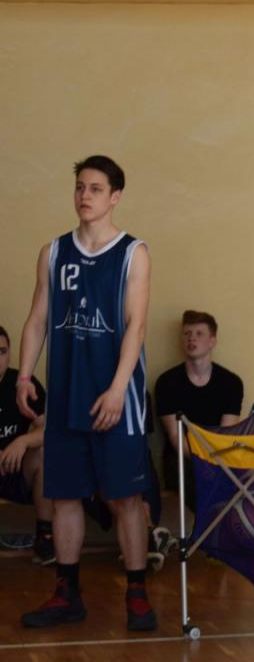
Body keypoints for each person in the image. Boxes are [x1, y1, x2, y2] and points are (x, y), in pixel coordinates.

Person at [15, 155, 157, 631]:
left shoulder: (134, 252)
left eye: (95, 188)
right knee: (64, 497)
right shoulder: (53, 252)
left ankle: (137, 594)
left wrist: (117, 390)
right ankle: (67, 593)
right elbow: (37, 318)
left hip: (116, 397)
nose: (84, 195)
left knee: (126, 498)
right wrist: (24, 376)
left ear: (115, 197)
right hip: (67, 395)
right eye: (79, 186)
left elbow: (137, 327)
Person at [156, 309, 244, 512]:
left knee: (244, 476)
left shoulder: (231, 383)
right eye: (187, 333)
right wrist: (203, 462)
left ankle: (224, 525)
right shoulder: (166, 383)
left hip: (219, 456)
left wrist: (213, 461)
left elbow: (225, 435)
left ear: (212, 341)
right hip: (182, 459)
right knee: (200, 483)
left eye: (199, 333)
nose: (191, 338)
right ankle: (212, 525)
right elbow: (176, 438)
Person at [0, 325, 52, 563]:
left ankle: (45, 537)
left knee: (43, 452)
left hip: (15, 468)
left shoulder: (21, 384)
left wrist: (22, 441)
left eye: (2, 352)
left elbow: (49, 429)